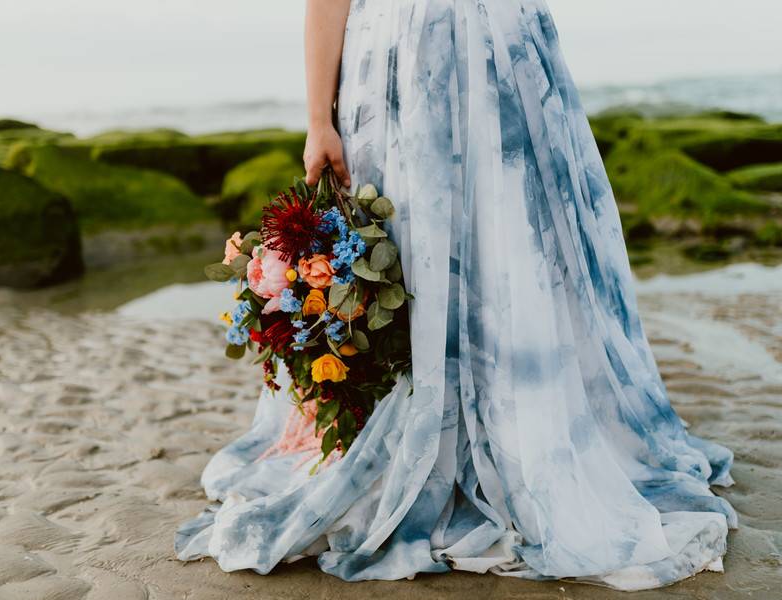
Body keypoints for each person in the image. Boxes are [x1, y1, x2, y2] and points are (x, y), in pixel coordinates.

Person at [177, 0, 737, 590]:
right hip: (433, 58)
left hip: (485, 58)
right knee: (431, 250)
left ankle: (510, 433)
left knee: (506, 248)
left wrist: (323, 115)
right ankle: (453, 433)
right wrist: (320, 118)